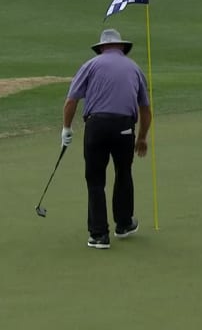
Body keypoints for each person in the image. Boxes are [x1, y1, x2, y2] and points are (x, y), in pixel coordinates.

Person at [61, 28, 152, 249]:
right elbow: (146, 110)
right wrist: (141, 138)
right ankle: (123, 223)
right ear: (121, 47)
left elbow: (71, 100)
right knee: (123, 172)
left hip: (96, 126)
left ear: (101, 48)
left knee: (95, 179)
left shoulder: (90, 65)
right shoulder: (134, 68)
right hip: (124, 127)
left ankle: (99, 235)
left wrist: (66, 129)